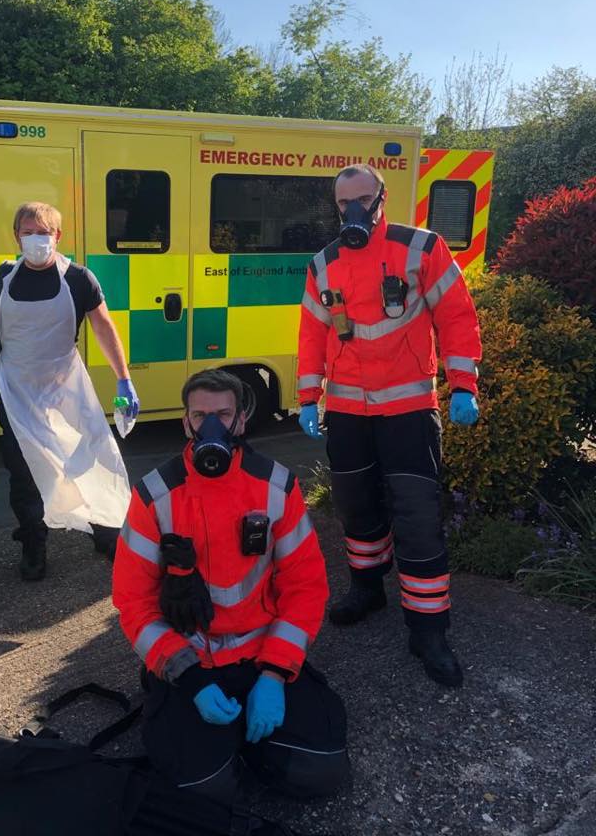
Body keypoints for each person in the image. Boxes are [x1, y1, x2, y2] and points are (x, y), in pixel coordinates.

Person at [112, 369, 349, 804]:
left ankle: (248, 742)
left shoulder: (277, 486)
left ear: (241, 420)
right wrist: (189, 679)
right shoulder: (154, 495)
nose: (212, 426)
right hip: (192, 665)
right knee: (201, 793)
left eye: (222, 413)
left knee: (321, 771)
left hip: (263, 657)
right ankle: (224, 747)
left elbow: (306, 587)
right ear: (185, 422)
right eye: (201, 416)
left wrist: (276, 674)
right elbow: (133, 602)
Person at [297, 165, 481, 688]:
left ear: (382, 198)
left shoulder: (422, 247)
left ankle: (428, 631)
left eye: (362, 199)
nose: (352, 210)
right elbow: (312, 335)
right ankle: (367, 587)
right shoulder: (323, 264)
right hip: (349, 413)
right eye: (343, 202)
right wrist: (309, 399)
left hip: (407, 410)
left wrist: (464, 384)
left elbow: (457, 317)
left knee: (417, 516)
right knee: (357, 507)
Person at [0, 202, 137, 581]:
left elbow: (104, 328)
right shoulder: (0, 279)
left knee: (89, 458)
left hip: (66, 389)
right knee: (24, 475)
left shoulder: (80, 279)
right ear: (16, 236)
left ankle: (106, 532)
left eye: (43, 232)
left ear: (58, 236)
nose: (36, 239)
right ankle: (34, 546)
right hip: (16, 391)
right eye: (28, 232)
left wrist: (124, 378)